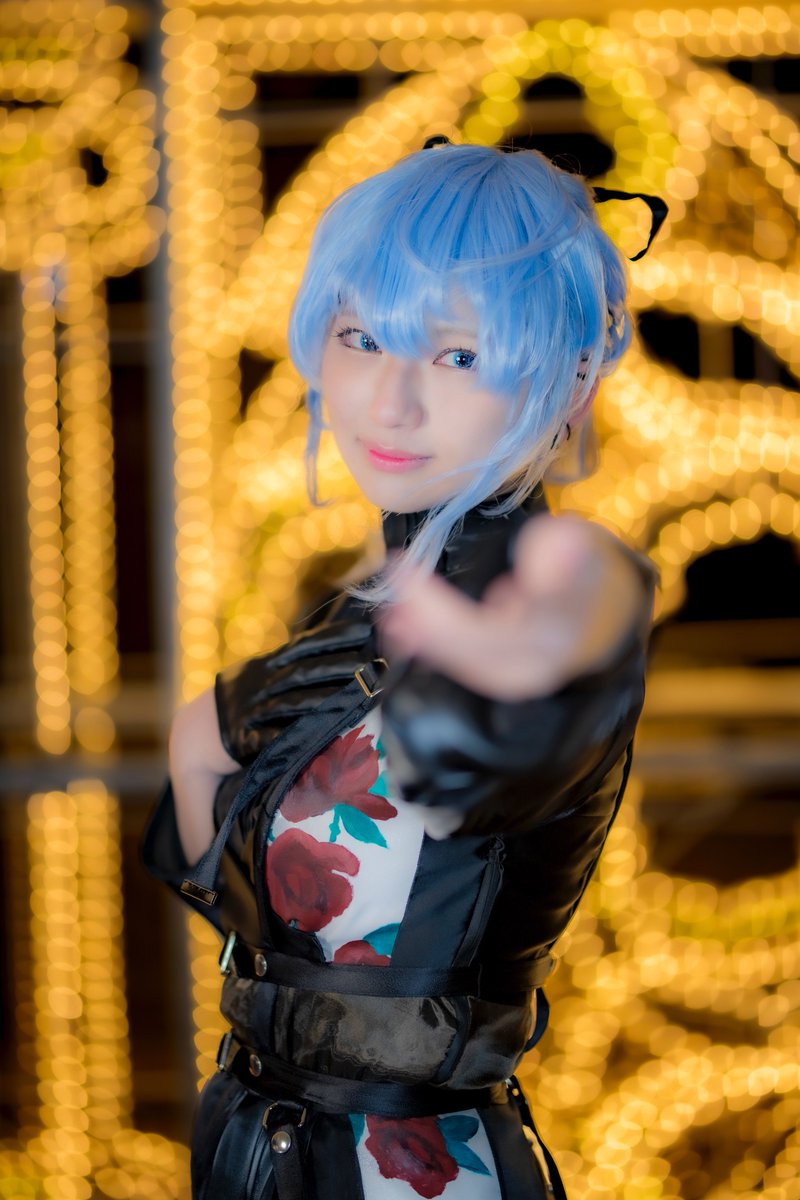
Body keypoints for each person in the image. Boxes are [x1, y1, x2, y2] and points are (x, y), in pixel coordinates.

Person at [143, 139, 663, 1200]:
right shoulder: (349, 621)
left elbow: (537, 675)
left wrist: (535, 635)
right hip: (256, 1147)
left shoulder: (561, 588)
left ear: (571, 376)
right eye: (362, 338)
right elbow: (213, 840)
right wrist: (210, 735)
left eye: (458, 357)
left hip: (417, 1170)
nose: (390, 401)